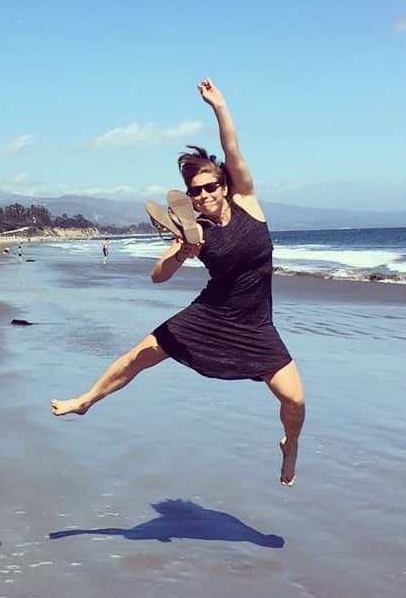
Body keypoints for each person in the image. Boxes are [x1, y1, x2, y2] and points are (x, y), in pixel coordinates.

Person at [50, 78, 305, 486]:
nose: (203, 195)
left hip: (256, 323)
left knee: (295, 400)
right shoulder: (194, 231)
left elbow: (232, 147)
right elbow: (158, 276)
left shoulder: (247, 202)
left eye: (210, 187)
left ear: (224, 185)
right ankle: (86, 399)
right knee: (140, 354)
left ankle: (290, 444)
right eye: (195, 191)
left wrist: (218, 105)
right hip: (211, 314)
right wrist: (182, 252)